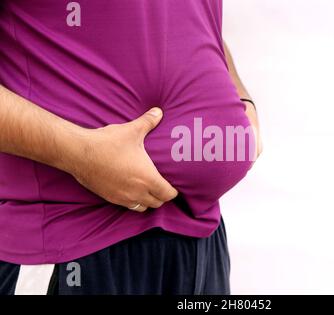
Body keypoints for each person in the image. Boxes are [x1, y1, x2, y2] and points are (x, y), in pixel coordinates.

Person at [0, 0, 262, 295]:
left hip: (202, 239)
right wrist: (77, 153)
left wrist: (240, 97)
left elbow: (194, 19)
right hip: (74, 241)